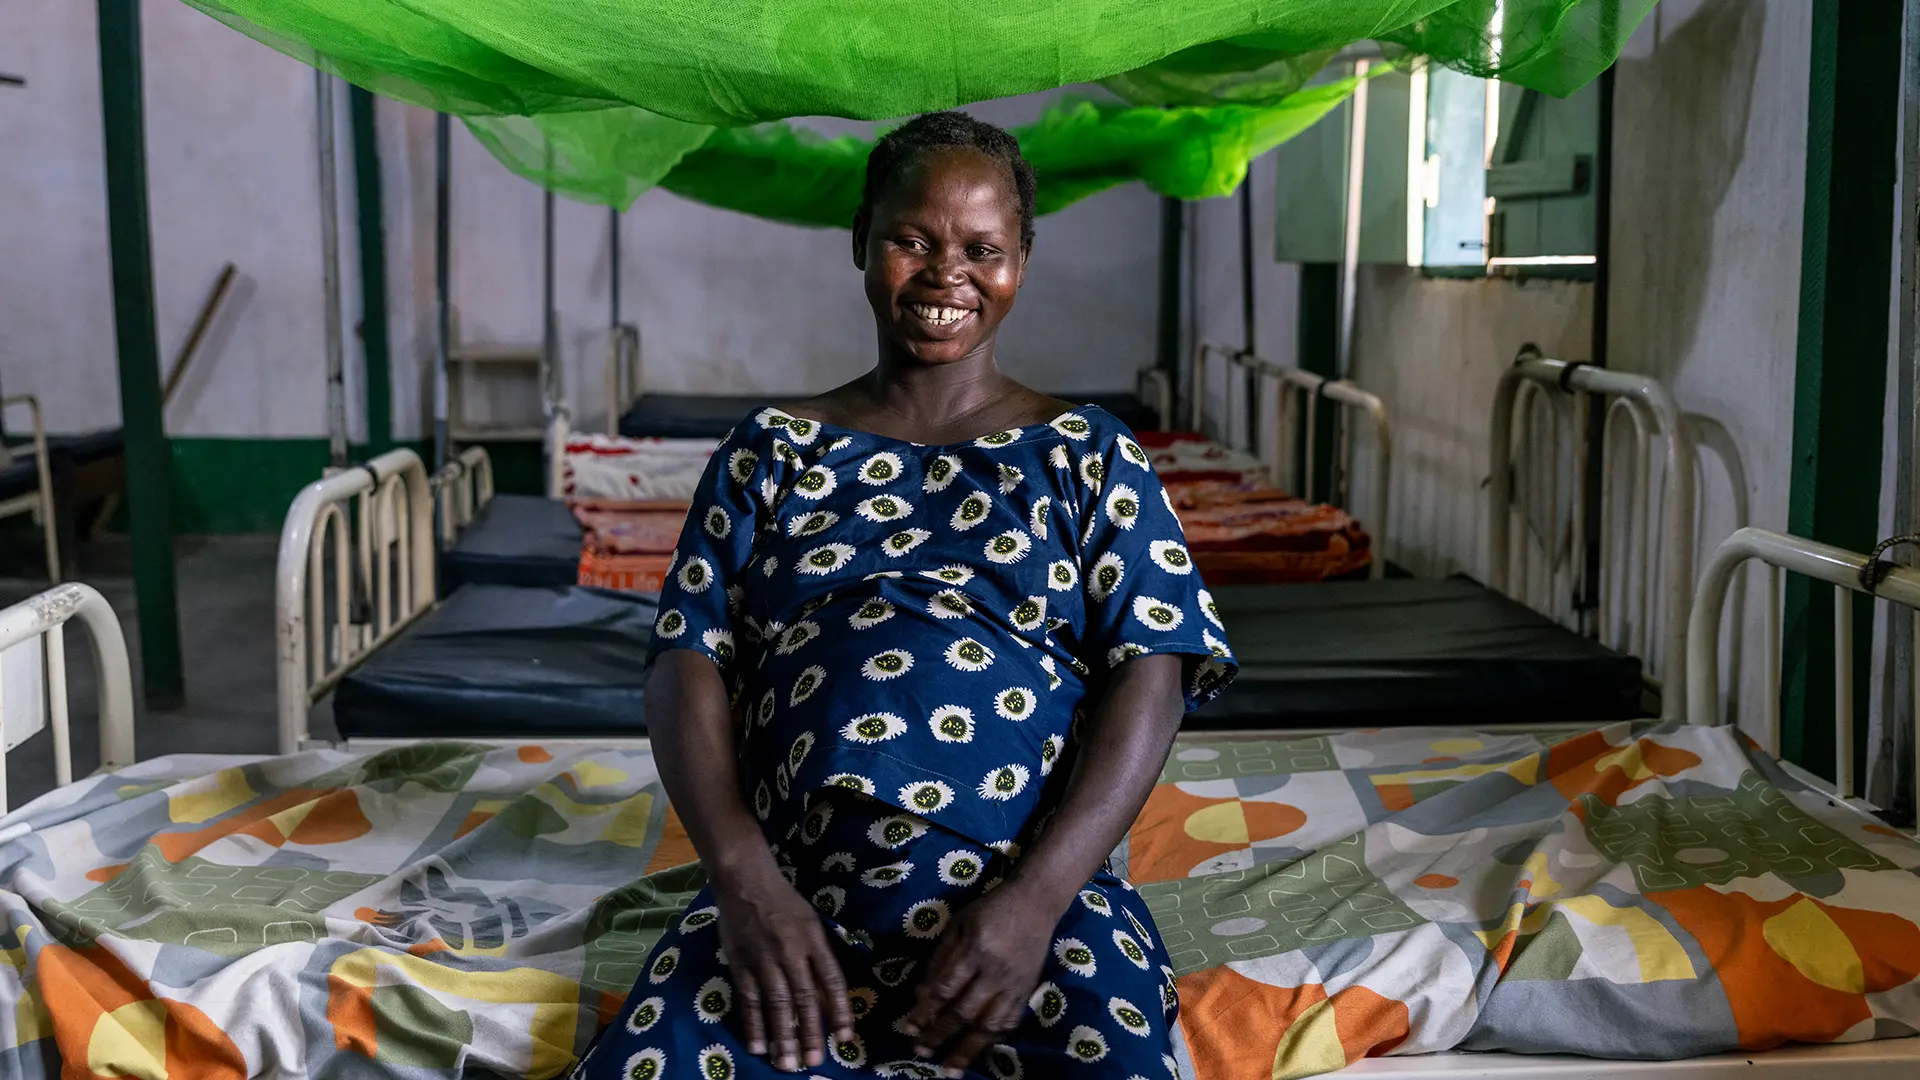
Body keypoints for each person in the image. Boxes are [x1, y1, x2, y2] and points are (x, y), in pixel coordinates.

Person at [576, 111, 1235, 1080]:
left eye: (982, 249)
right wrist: (745, 882)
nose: (945, 275)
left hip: (1030, 908)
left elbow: (1157, 664)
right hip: (791, 906)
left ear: (1021, 263)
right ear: (861, 242)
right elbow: (688, 658)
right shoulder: (773, 451)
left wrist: (1039, 902)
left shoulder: (1087, 456)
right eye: (912, 241)